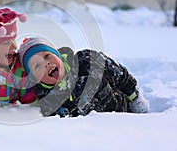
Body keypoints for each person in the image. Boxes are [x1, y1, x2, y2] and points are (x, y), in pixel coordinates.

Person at [18, 37, 149, 117]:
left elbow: (120, 74)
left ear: (57, 55)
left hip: (124, 114)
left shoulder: (88, 62)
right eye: (37, 66)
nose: (46, 63)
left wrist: (134, 97)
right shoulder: (48, 102)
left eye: (47, 56)